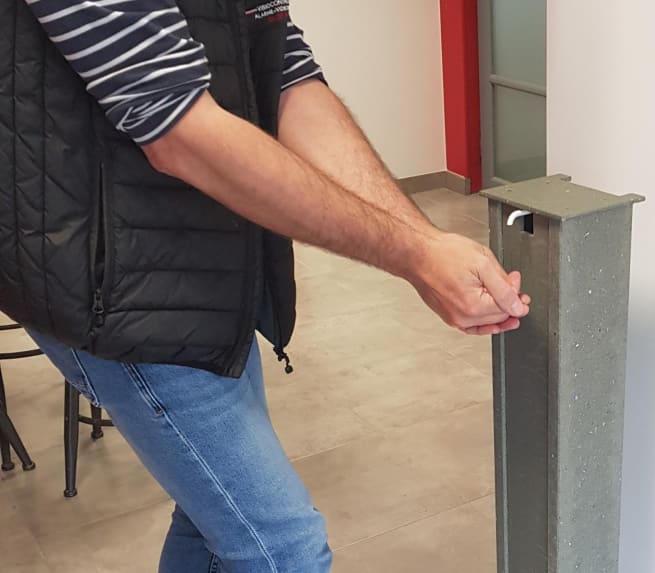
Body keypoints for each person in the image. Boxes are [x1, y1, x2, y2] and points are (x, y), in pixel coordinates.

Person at [0, 0, 530, 571]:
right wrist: (414, 254)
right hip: (115, 290)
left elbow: (286, 74)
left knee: (211, 518)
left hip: (206, 271)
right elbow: (175, 126)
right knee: (282, 549)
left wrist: (424, 241)